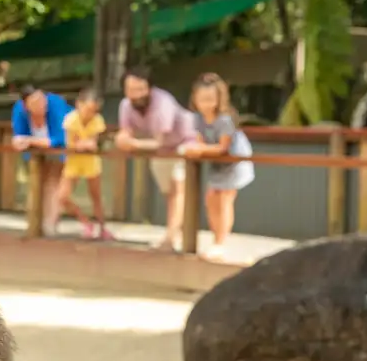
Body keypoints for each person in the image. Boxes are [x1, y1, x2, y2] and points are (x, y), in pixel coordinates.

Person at [114, 66, 196, 251]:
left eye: (140, 89)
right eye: (131, 90)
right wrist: (122, 140)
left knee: (178, 190)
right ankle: (177, 232)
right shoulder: (125, 105)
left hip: (184, 142)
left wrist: (133, 144)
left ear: (150, 88)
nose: (136, 94)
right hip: (159, 149)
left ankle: (171, 238)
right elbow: (125, 132)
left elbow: (160, 141)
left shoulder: (163, 103)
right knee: (169, 193)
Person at [183, 72, 255, 261]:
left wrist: (199, 150)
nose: (206, 103)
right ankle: (216, 238)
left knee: (224, 201)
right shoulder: (196, 118)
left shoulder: (225, 120)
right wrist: (196, 148)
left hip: (234, 160)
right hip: (216, 163)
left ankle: (220, 243)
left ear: (219, 99)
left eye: (210, 99)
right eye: (202, 99)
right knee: (211, 199)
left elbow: (223, 147)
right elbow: (198, 140)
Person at [11, 84, 72, 235]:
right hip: (36, 153)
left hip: (63, 148)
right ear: (26, 106)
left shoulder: (55, 104)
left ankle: (50, 224)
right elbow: (18, 137)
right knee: (36, 182)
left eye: (42, 100)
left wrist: (30, 141)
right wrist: (22, 142)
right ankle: (34, 223)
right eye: (35, 102)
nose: (41, 105)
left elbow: (60, 139)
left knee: (52, 183)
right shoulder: (19, 110)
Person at [56, 88, 115, 240]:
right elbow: (72, 143)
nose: (90, 114)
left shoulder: (97, 120)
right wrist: (83, 144)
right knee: (62, 197)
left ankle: (102, 228)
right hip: (73, 161)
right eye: (88, 109)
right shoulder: (71, 119)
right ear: (79, 104)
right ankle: (85, 222)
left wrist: (85, 144)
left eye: (94, 111)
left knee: (96, 196)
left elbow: (94, 143)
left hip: (91, 161)